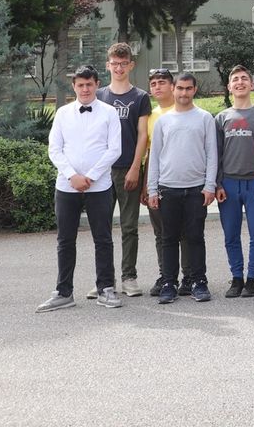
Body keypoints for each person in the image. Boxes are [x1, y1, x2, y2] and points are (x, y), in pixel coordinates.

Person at [38, 66, 121, 312]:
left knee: (103, 239)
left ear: (97, 85)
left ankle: (106, 288)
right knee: (65, 240)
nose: (85, 89)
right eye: (80, 85)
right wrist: (73, 176)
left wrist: (91, 176)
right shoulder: (63, 114)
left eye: (89, 84)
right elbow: (54, 149)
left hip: (100, 186)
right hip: (67, 186)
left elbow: (114, 149)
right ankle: (64, 292)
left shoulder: (109, 113)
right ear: (74, 86)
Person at [146, 72, 218, 305]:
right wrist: (152, 190)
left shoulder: (205, 118)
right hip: (168, 188)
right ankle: (169, 283)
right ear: (173, 90)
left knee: (195, 237)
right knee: (168, 238)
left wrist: (210, 185)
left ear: (194, 90)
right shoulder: (164, 121)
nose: (184, 93)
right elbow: (154, 156)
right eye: (180, 88)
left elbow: (212, 154)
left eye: (188, 88)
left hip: (196, 189)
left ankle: (198, 281)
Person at [214, 65, 254, 299]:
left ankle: (251, 279)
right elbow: (215, 153)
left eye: (244, 79)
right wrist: (217, 184)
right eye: (235, 79)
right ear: (229, 86)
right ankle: (237, 277)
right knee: (231, 234)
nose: (240, 82)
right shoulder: (221, 118)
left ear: (252, 84)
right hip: (228, 184)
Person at [99, 43, 149, 299]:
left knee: (129, 226)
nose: (119, 68)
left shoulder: (140, 97)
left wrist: (135, 168)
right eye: (114, 64)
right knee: (102, 227)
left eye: (123, 63)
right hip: (102, 172)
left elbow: (142, 135)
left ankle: (129, 276)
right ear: (108, 65)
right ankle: (104, 280)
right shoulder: (98, 96)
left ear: (131, 65)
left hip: (128, 169)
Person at [141, 68, 183, 297]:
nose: (157, 87)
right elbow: (149, 152)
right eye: (154, 83)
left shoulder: (184, 110)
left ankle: (189, 275)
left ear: (172, 86)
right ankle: (166, 274)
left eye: (162, 83)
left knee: (185, 232)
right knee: (161, 233)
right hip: (157, 178)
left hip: (184, 180)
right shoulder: (151, 115)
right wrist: (147, 185)